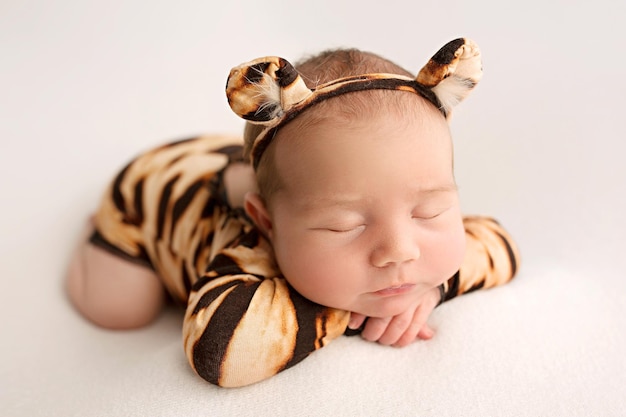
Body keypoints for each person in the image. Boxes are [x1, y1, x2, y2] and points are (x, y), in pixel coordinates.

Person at [66, 38, 520, 388]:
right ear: (266, 222)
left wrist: (431, 289)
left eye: (429, 212)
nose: (398, 251)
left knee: (298, 174)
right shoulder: (249, 251)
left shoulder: (364, 190)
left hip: (261, 171)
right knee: (120, 308)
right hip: (153, 191)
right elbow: (218, 351)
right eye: (345, 224)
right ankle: (104, 231)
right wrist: (350, 315)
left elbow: (500, 244)